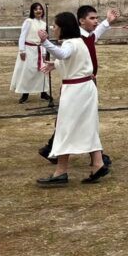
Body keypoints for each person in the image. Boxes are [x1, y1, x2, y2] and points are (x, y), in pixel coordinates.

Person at [35, 12, 109, 187]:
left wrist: (45, 42)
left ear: (63, 27)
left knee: (65, 127)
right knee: (87, 126)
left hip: (77, 91)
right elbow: (71, 60)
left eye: (55, 26)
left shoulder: (71, 42)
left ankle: (61, 171)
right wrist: (56, 64)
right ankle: (98, 164)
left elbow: (63, 53)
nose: (54, 29)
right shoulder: (79, 42)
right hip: (83, 88)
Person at [10, 2, 50, 104]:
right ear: (32, 11)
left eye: (40, 9)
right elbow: (22, 36)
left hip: (40, 50)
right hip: (29, 50)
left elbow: (45, 40)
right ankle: (25, 93)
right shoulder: (28, 21)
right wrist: (22, 50)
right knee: (27, 71)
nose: (38, 11)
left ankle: (43, 92)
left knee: (42, 71)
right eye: (36, 9)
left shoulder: (44, 24)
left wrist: (44, 52)